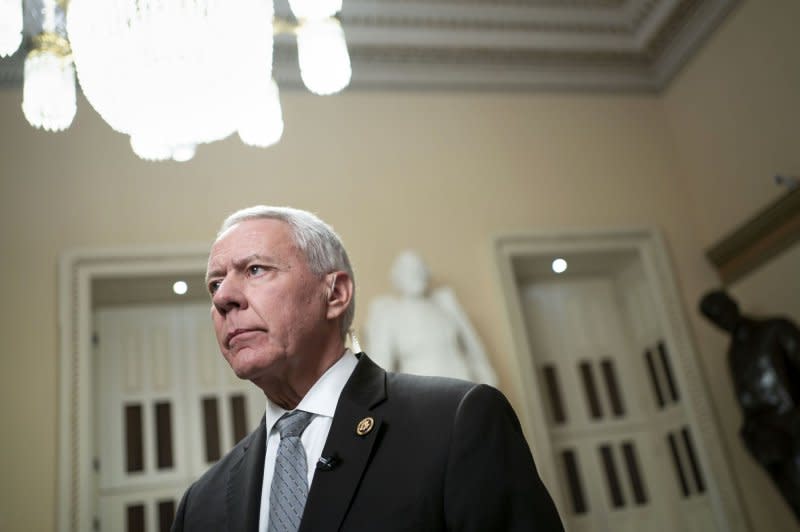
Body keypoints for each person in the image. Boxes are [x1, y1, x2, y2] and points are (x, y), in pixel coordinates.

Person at [172, 205, 563, 532]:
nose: (223, 297)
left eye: (255, 269)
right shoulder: (199, 505)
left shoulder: (458, 422)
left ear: (336, 294)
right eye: (215, 285)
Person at [700, 290, 800, 520]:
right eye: (714, 318)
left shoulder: (775, 329)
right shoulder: (734, 354)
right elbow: (748, 402)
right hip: (771, 441)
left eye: (722, 311)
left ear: (733, 304)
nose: (721, 320)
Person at [366, 250, 498, 385]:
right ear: (397, 278)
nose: (414, 274)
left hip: (464, 386)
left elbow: (474, 348)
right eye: (407, 271)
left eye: (418, 269)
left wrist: (488, 385)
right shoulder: (388, 315)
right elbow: (380, 366)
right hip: (424, 394)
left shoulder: (445, 306)